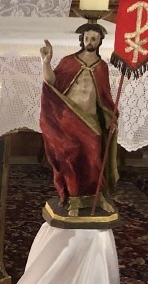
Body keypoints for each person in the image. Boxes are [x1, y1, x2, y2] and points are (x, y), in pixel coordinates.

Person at [40, 24, 119, 217]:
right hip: (68, 119)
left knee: (94, 160)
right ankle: (74, 200)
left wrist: (110, 117)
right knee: (71, 160)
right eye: (87, 38)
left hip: (90, 121)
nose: (90, 42)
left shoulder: (102, 67)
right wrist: (46, 62)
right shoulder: (69, 61)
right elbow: (51, 83)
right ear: (82, 40)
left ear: (100, 41)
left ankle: (98, 197)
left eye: (94, 39)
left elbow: (104, 97)